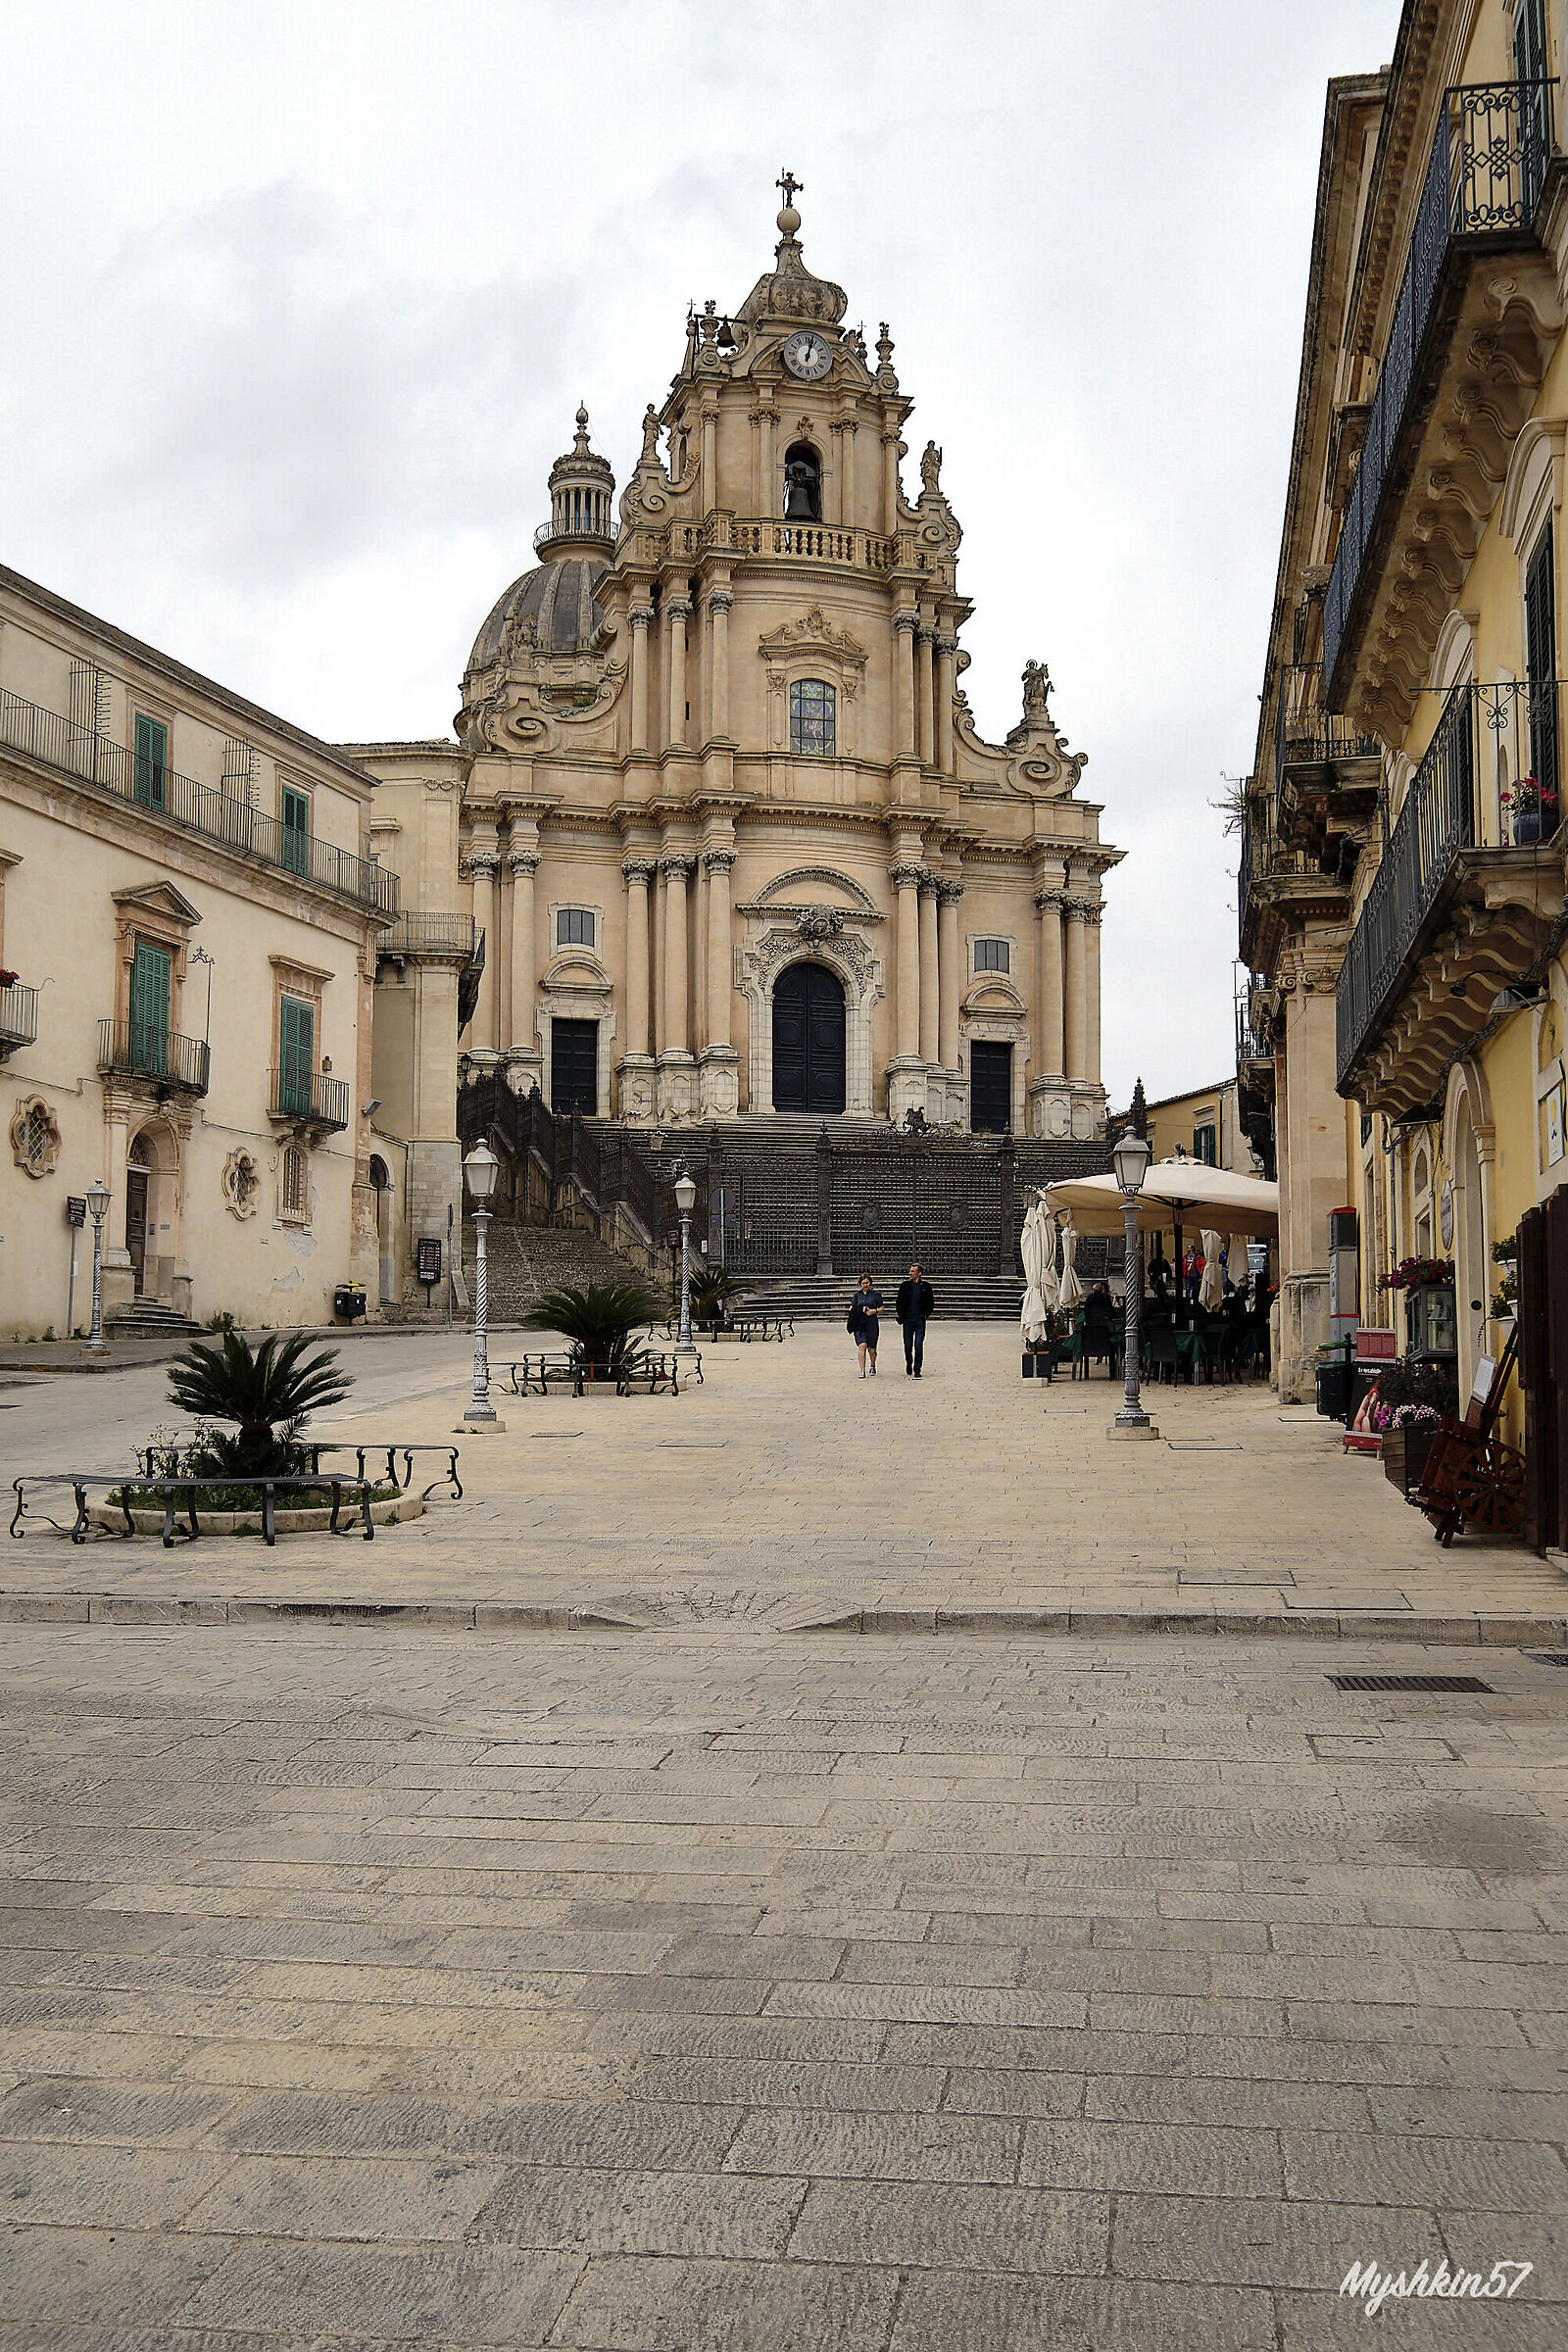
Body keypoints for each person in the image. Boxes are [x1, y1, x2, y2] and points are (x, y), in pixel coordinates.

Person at [895, 1261, 935, 1376]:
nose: (910, 1273)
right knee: (908, 1345)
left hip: (919, 1319)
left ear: (919, 1273)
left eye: (913, 1271)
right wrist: (901, 1314)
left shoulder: (926, 1286)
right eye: (910, 1271)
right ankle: (909, 1362)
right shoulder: (905, 1285)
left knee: (918, 1344)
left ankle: (917, 1369)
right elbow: (899, 1301)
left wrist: (925, 1315)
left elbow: (931, 1302)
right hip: (907, 1319)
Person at [847, 1271, 883, 1377]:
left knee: (872, 1348)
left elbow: (882, 1308)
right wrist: (861, 1309)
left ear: (870, 1283)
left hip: (872, 1322)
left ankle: (872, 1364)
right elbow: (851, 1308)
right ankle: (862, 1370)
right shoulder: (857, 1295)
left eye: (867, 1283)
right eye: (863, 1283)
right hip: (860, 1323)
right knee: (862, 1345)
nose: (865, 1285)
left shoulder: (876, 1294)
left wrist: (874, 1311)